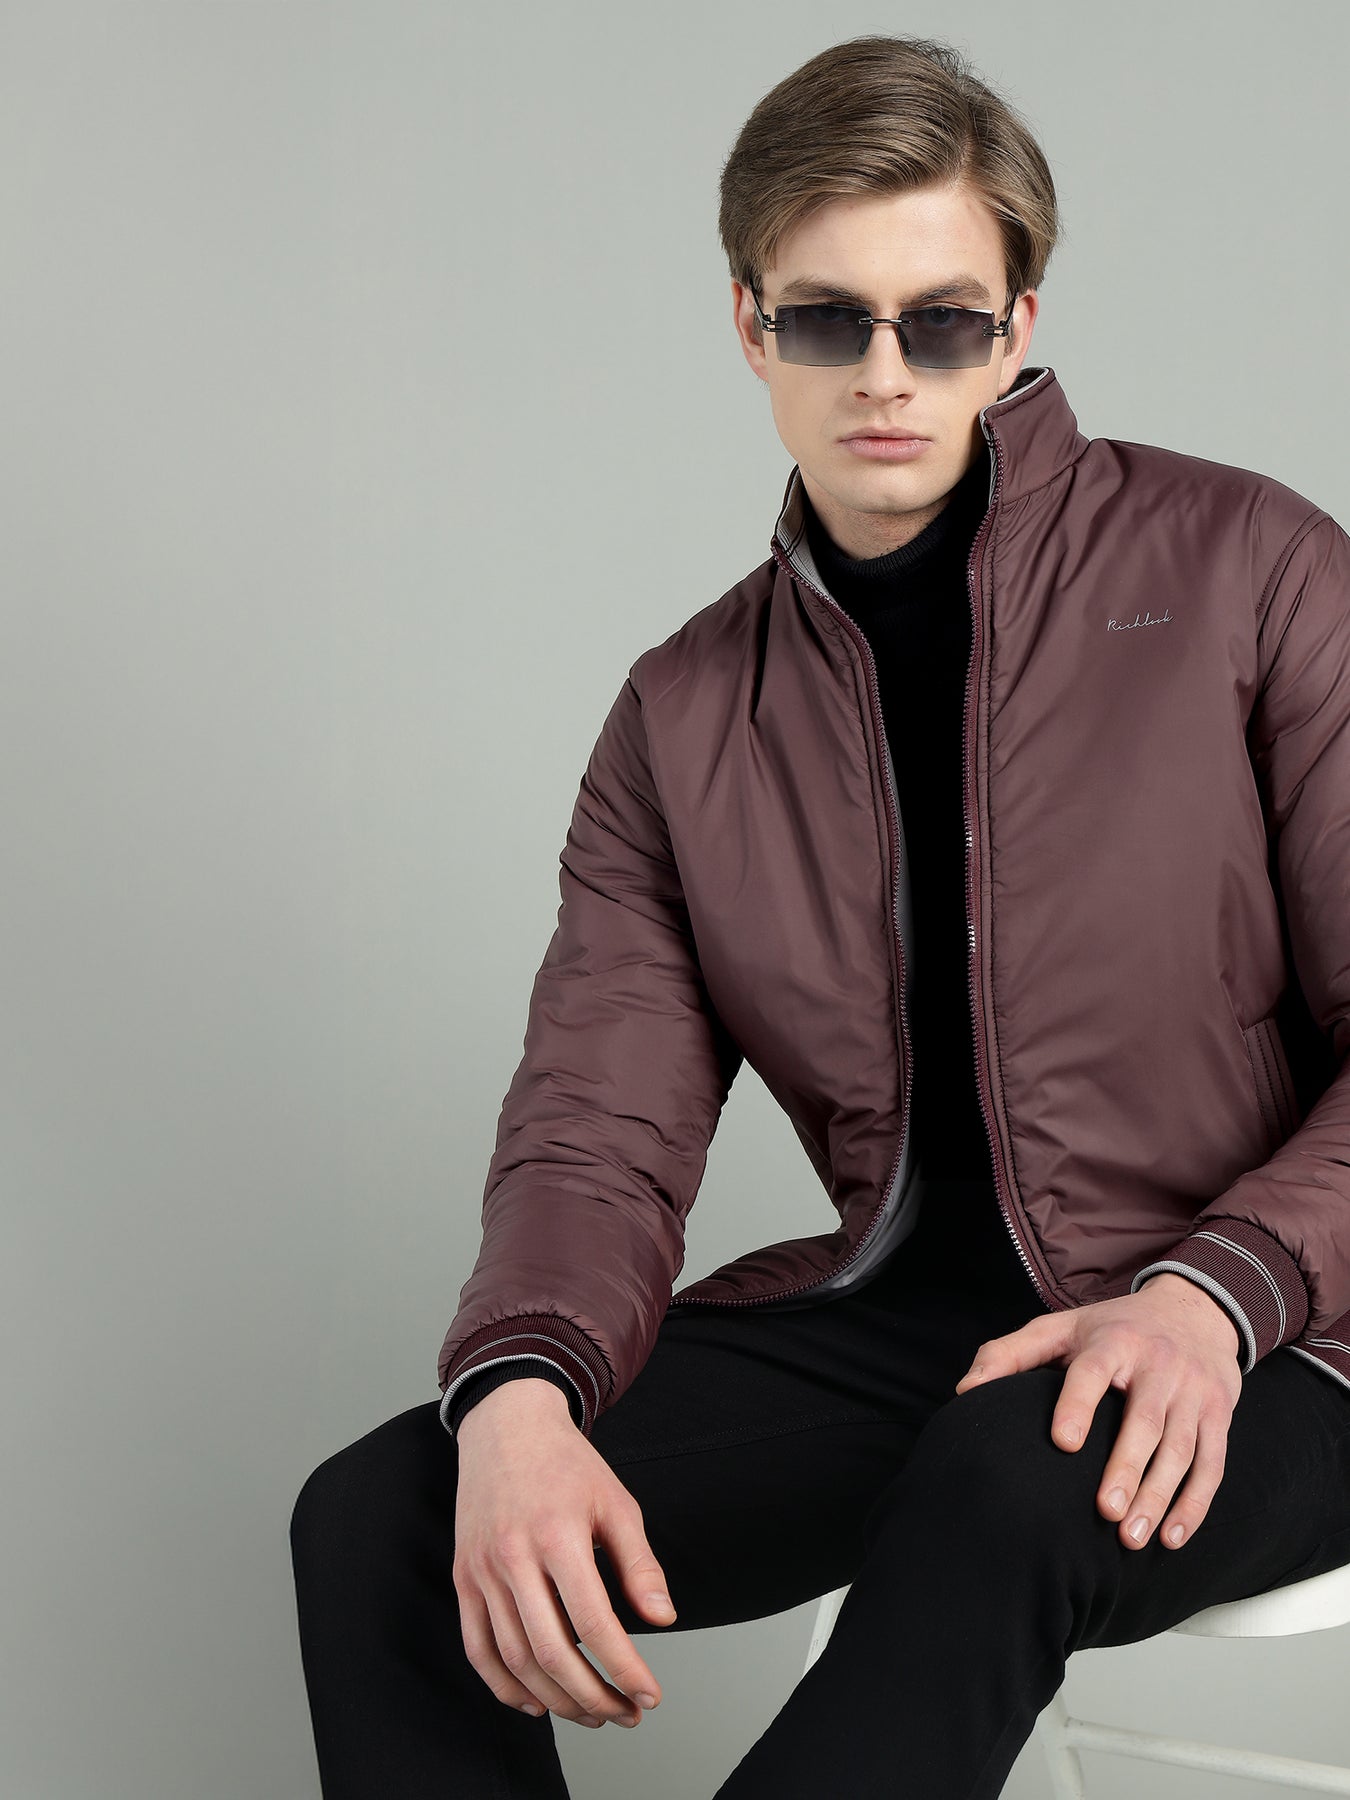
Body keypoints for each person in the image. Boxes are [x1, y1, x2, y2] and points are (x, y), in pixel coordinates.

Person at [288, 33, 1350, 1799]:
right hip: (916, 1331)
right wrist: (517, 1398)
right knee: (386, 1515)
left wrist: (1206, 1292)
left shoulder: (1251, 569)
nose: (882, 374)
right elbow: (593, 1132)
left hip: (1288, 1330)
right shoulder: (684, 715)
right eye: (824, 320)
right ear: (746, 325)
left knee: (1008, 1476)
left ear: (1014, 326)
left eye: (939, 321)